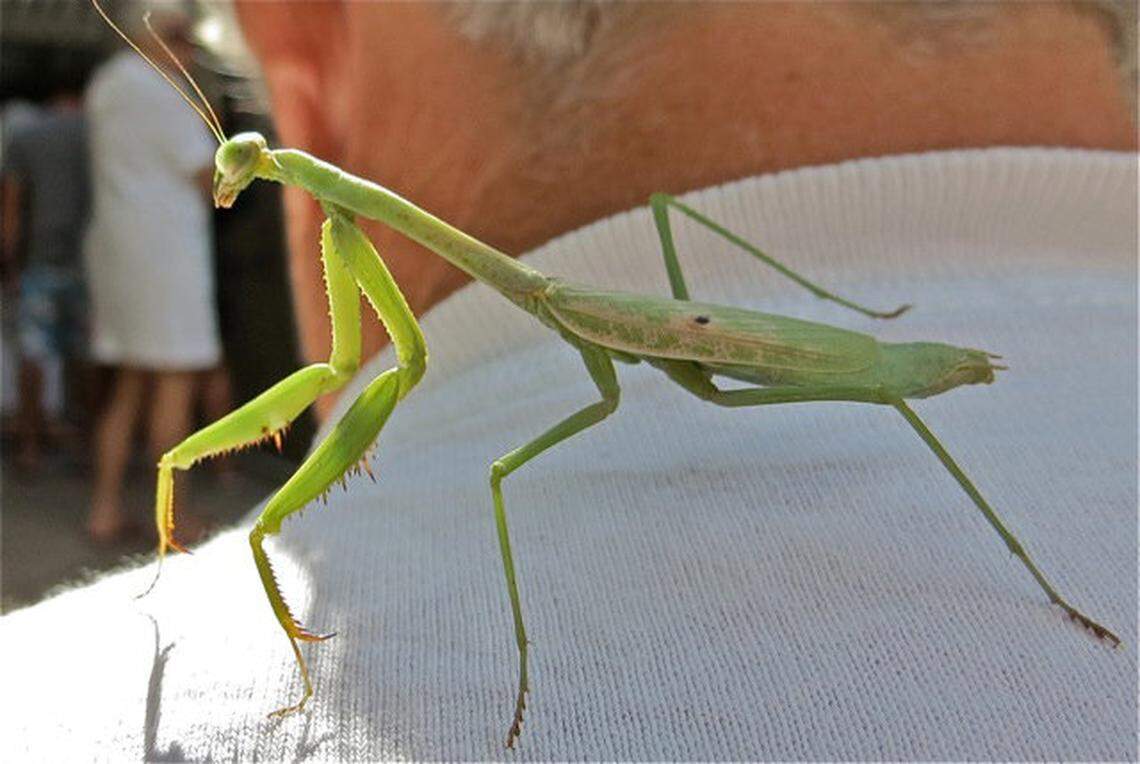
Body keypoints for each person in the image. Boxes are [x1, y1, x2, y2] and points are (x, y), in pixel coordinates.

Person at [1, 2, 1135, 759]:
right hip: (698, 338)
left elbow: (359, 367)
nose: (238, 177)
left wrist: (864, 340)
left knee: (508, 471)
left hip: (761, 354)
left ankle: (1023, 561)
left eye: (248, 160)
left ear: (305, 68)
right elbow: (368, 363)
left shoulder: (43, 707)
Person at [83, 9, 220, 543]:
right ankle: (173, 520)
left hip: (117, 251)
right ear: (158, 35)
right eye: (182, 38)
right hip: (168, 255)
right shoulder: (168, 90)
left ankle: (104, 509)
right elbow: (206, 172)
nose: (188, 50)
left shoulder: (108, 82)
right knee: (174, 384)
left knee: (129, 383)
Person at [0, 81, 89, 473]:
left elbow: (12, 211)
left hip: (39, 262)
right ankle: (85, 446)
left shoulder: (26, 137)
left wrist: (10, 265)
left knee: (33, 356)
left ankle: (29, 447)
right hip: (90, 264)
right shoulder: (97, 134)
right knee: (85, 358)